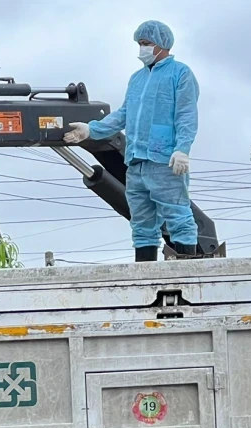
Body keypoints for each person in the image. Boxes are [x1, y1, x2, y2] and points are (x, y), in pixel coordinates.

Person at [63, 20, 201, 262]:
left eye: (146, 43)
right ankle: (145, 275)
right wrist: (92, 130)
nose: (142, 48)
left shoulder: (180, 74)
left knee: (178, 216)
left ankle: (187, 271)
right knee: (142, 224)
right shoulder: (136, 79)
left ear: (162, 44)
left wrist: (182, 149)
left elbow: (186, 115)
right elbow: (123, 114)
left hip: (165, 160)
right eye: (140, 44)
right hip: (136, 162)